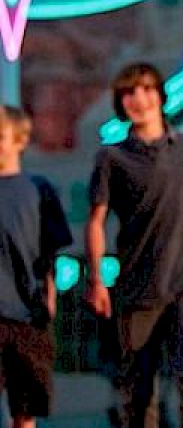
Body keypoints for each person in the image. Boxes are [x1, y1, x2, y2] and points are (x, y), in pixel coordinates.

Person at [85, 62, 183, 428]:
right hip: (136, 288)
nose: (139, 99)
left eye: (147, 89)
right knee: (139, 390)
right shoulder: (111, 158)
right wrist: (97, 280)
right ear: (121, 102)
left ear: (160, 96)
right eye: (130, 92)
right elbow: (96, 221)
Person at [0, 106, 72, 428]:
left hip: (28, 315)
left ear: (20, 140)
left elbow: (49, 252)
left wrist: (50, 297)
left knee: (26, 409)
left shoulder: (39, 189)